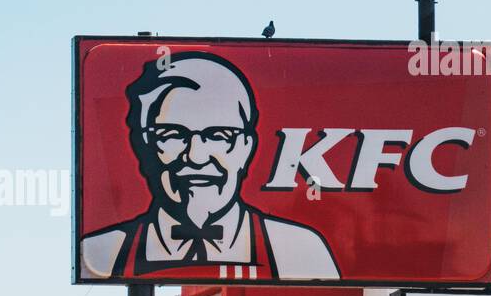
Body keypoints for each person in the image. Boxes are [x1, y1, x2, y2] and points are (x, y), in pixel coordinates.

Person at [80, 52, 339, 280]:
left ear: (246, 146)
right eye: (172, 135)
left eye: (219, 136)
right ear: (144, 145)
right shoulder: (102, 253)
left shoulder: (301, 252)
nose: (196, 156)